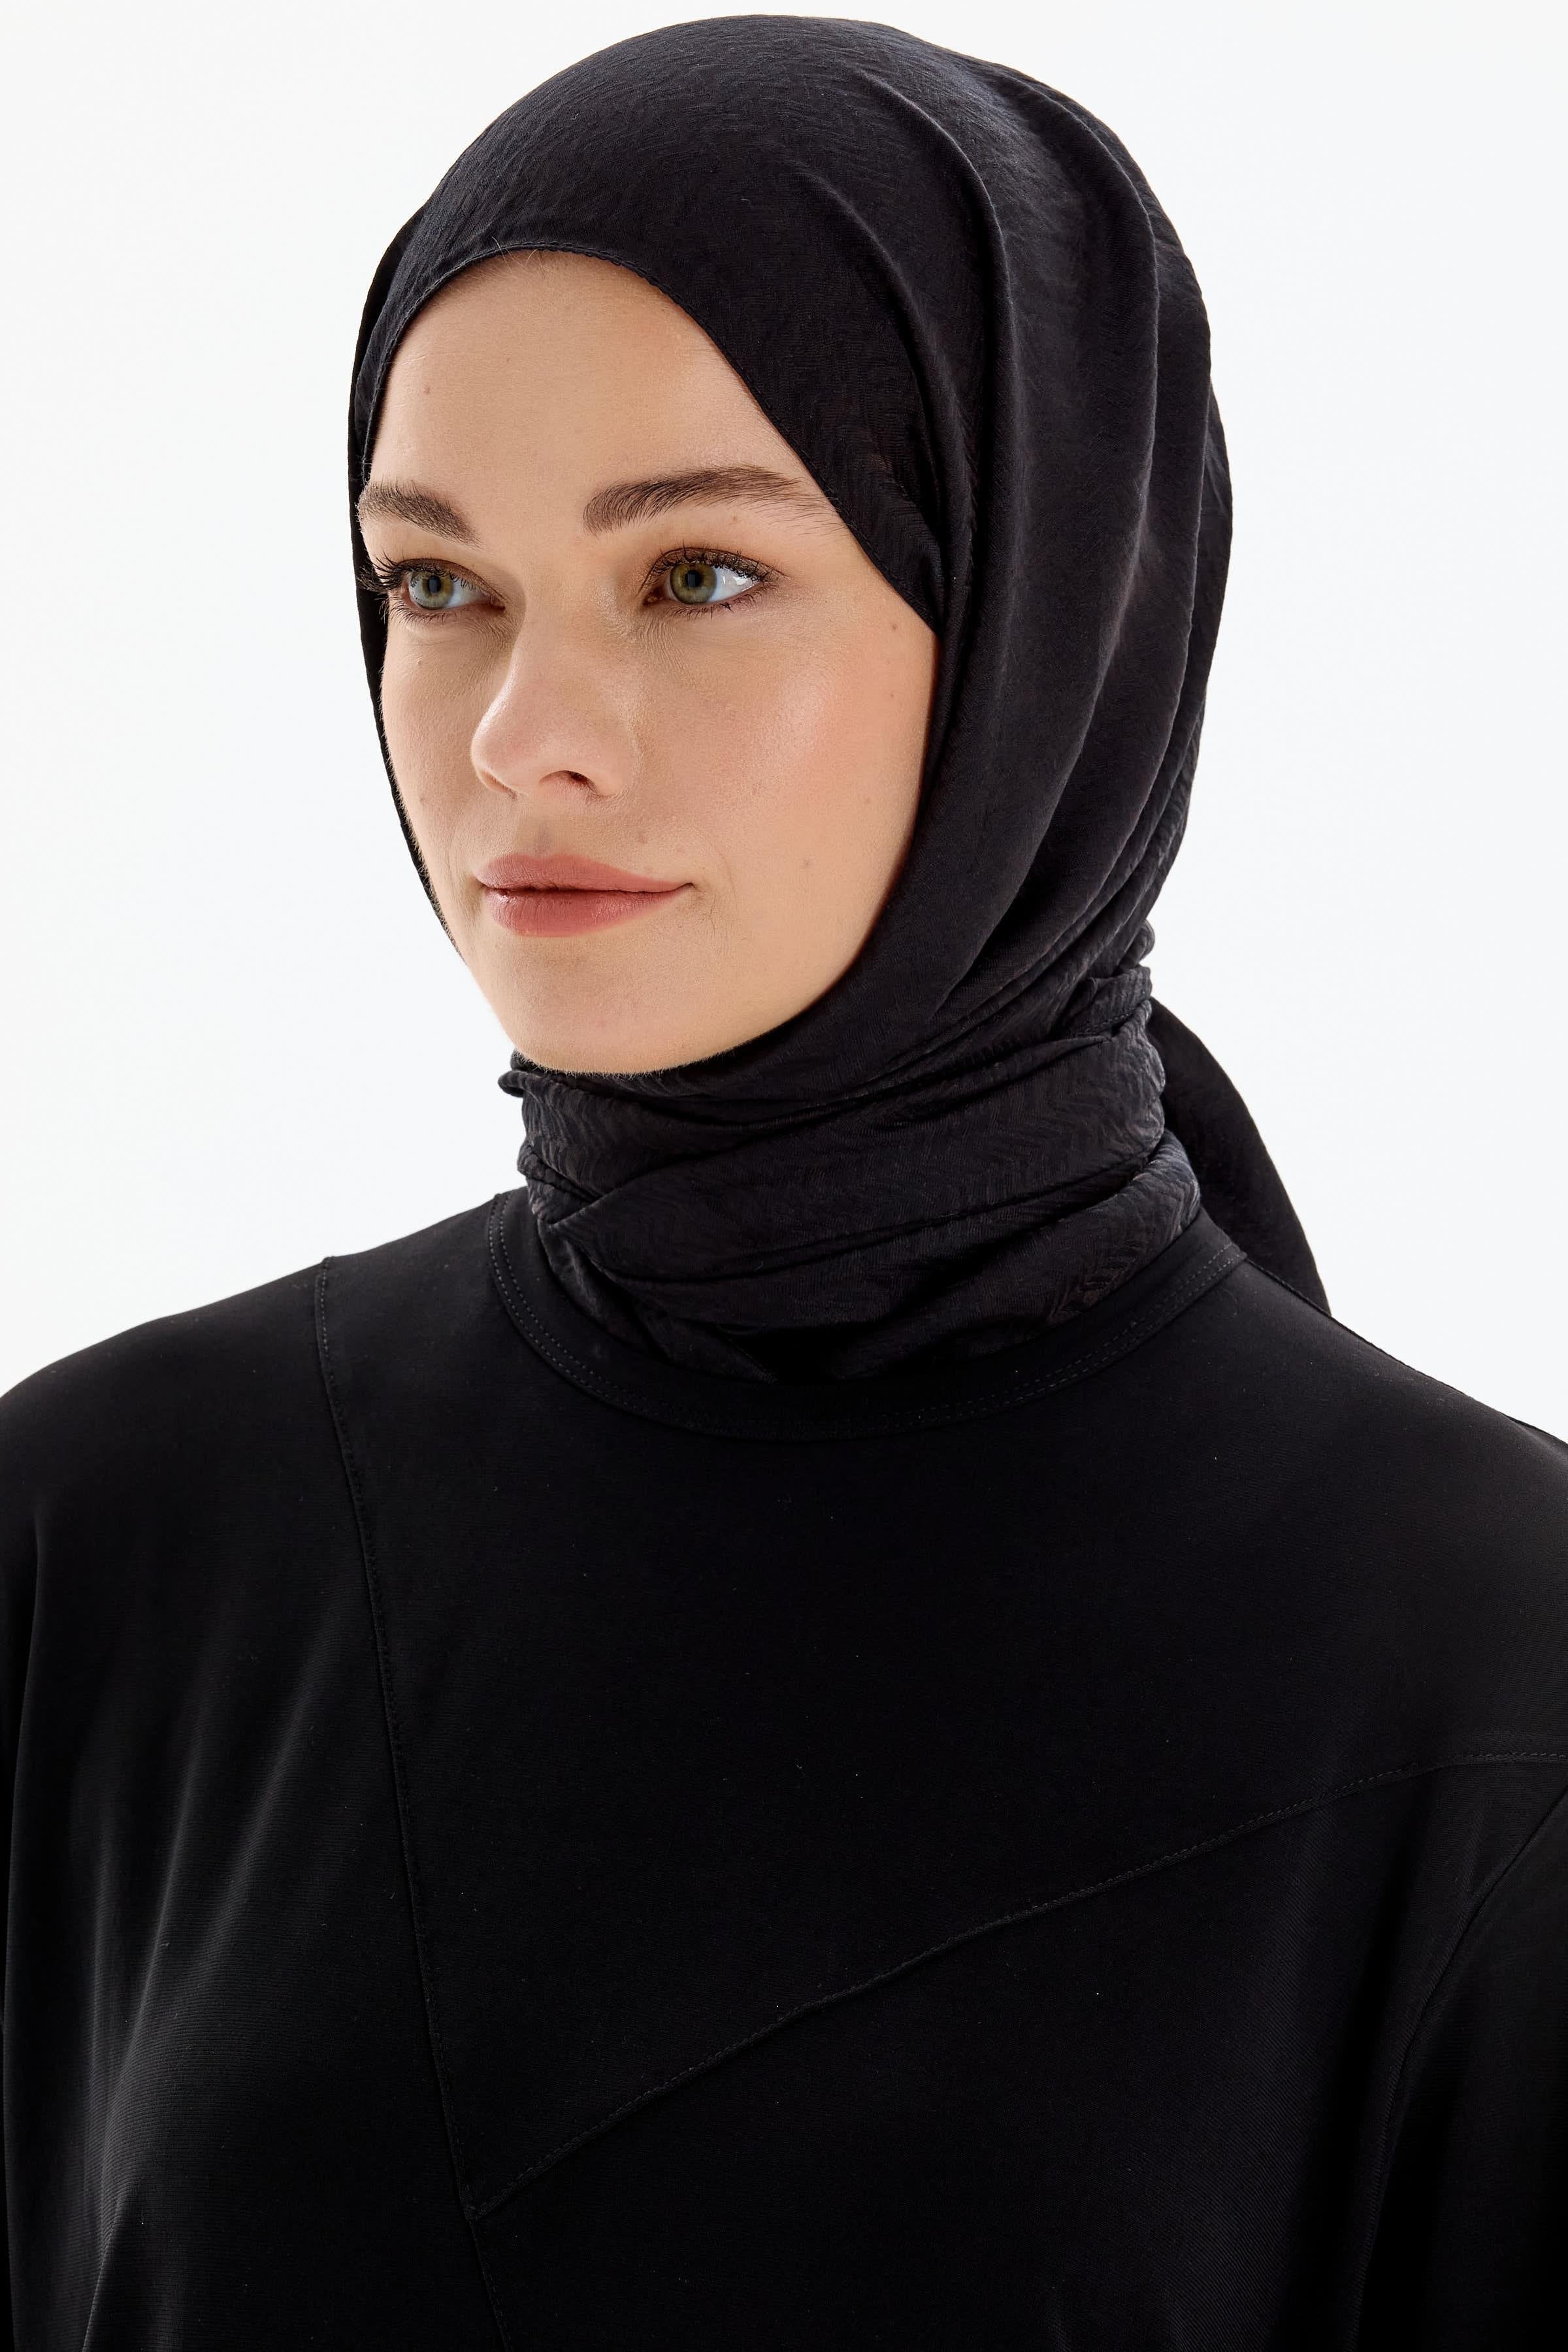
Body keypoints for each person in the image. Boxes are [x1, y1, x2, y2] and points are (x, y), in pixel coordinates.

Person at [1, 16, 1563, 2346]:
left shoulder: (1487, 1675)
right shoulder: (107, 1543)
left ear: (1052, 613)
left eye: (701, 575)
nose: (521, 734)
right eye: (437, 584)